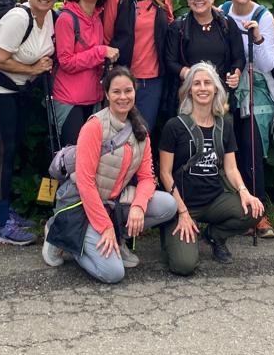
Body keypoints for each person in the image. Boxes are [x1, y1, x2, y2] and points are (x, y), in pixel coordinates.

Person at [42, 66, 177, 283]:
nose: (123, 97)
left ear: (135, 92)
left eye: (128, 91)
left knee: (168, 205)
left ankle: (118, 236)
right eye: (116, 92)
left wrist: (138, 207)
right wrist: (105, 227)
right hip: (80, 204)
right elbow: (85, 184)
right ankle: (62, 235)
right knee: (113, 273)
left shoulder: (140, 129)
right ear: (106, 94)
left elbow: (147, 178)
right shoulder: (94, 126)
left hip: (113, 201)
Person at [158, 62, 264, 275]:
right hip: (182, 204)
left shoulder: (224, 124)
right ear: (189, 90)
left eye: (207, 83)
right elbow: (165, 173)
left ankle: (215, 235)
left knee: (254, 210)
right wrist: (183, 212)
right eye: (196, 84)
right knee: (184, 265)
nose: (202, 88)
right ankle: (172, 235)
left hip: (214, 200)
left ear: (216, 88)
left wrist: (245, 193)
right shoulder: (175, 126)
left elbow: (231, 169)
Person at [0, 0, 59, 245]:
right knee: (4, 152)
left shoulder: (51, 17)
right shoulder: (18, 17)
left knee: (13, 149)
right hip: (0, 92)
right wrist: (32, 68)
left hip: (21, 92)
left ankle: (6, 212)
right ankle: (0, 221)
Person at [219, 0, 274, 238]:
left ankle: (258, 214)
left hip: (253, 89)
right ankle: (231, 211)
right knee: (224, 149)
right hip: (224, 86)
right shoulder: (221, 11)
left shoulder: (263, 16)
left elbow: (269, 64)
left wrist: (257, 38)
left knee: (251, 151)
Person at [103, 0, 174, 131]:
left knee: (144, 131)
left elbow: (170, 28)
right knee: (119, 132)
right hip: (123, 78)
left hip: (153, 79)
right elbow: (107, 38)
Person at [52, 0, 119, 146]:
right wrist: (101, 52)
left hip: (94, 98)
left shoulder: (98, 17)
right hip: (69, 100)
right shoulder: (66, 19)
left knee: (91, 157)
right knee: (72, 158)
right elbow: (66, 62)